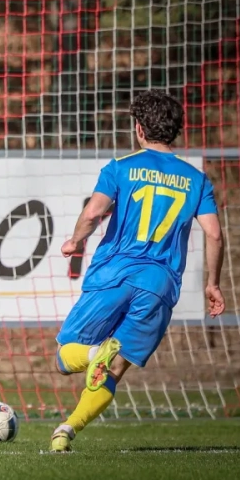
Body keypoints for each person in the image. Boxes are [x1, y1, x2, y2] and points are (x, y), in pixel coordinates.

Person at [50, 89, 226, 453]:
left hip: (114, 275)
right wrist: (213, 283)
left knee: (66, 356)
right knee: (113, 369)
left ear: (139, 129)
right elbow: (214, 234)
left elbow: (93, 213)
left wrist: (75, 241)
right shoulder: (196, 179)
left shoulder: (120, 167)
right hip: (159, 285)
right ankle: (66, 431)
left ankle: (94, 353)